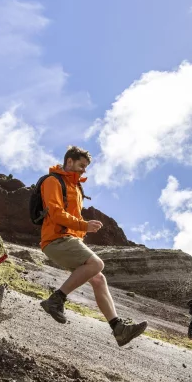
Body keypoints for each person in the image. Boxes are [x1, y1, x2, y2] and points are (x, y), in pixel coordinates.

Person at [37, 145, 148, 347]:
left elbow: (72, 216)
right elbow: (55, 213)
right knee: (97, 264)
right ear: (69, 161)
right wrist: (84, 226)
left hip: (69, 240)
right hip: (55, 240)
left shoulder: (76, 187)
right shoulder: (53, 181)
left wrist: (81, 231)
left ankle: (119, 329)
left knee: (98, 279)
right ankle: (56, 300)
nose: (84, 170)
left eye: (86, 167)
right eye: (81, 165)